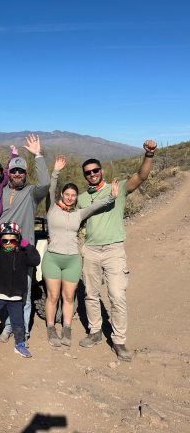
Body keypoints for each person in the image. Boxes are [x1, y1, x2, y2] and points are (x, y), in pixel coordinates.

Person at [77, 140, 158, 362]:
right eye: (88, 173)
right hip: (91, 250)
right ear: (85, 176)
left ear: (101, 171)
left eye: (95, 170)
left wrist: (149, 155)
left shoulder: (119, 187)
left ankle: (119, 340)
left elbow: (141, 177)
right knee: (91, 294)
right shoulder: (82, 198)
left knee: (117, 296)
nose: (92, 174)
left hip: (113, 250)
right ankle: (95, 332)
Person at [42, 155, 118, 348]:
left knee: (69, 297)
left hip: (72, 260)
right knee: (53, 296)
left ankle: (66, 328)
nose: (70, 197)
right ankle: (51, 328)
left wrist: (112, 196)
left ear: (76, 198)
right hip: (52, 258)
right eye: (67, 194)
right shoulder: (52, 209)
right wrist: (56, 172)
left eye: (73, 195)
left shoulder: (78, 213)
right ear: (62, 195)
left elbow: (95, 205)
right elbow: (50, 188)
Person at [0, 134, 51, 343]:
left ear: (25, 173)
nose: (17, 174)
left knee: (24, 294)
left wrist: (38, 155)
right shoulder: (0, 193)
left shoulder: (31, 193)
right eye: (14, 171)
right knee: (3, 294)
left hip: (22, 252)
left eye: (21, 171)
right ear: (9, 173)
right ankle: (7, 326)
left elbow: (45, 183)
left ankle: (22, 331)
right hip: (2, 252)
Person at [0, 222, 41, 358]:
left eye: (12, 240)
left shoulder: (23, 253)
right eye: (5, 240)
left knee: (18, 322)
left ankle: (20, 344)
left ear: (18, 239)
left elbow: (35, 260)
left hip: (16, 296)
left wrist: (27, 246)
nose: (9, 243)